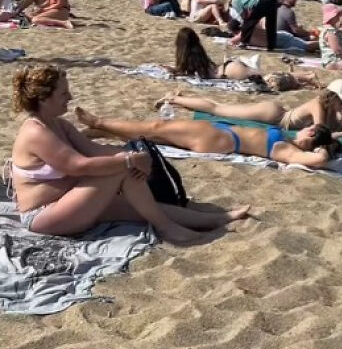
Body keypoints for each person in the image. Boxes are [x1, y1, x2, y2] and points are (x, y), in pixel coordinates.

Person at [9, 67, 247, 242]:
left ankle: (216, 219)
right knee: (122, 169)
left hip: (70, 202)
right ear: (43, 98)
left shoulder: (59, 124)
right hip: (42, 216)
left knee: (144, 207)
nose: (70, 98)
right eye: (63, 94)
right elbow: (78, 166)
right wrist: (129, 160)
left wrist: (135, 154)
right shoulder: (36, 132)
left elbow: (95, 150)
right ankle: (167, 229)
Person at [75, 104, 339, 170]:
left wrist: (325, 150)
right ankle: (104, 130)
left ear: (311, 134)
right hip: (221, 136)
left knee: (156, 126)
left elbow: (318, 160)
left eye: (309, 129)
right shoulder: (288, 143)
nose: (304, 129)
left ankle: (98, 121)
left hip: (221, 138)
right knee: (157, 136)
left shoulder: (288, 150)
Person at [154, 78, 342, 142]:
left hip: (278, 114)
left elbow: (340, 123)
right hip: (273, 116)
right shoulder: (318, 104)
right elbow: (321, 133)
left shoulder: (335, 106)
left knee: (220, 107)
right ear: (333, 97)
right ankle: (174, 98)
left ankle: (180, 99)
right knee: (218, 109)